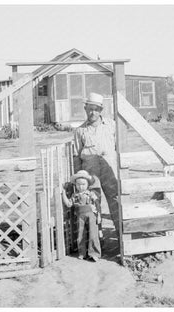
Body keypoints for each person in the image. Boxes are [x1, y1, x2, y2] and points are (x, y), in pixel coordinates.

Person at [73, 92, 120, 234]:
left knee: (116, 202)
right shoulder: (80, 131)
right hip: (90, 175)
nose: (92, 112)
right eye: (90, 108)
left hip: (109, 172)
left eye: (96, 109)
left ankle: (121, 237)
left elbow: (120, 149)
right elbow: (76, 156)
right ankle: (97, 242)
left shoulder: (112, 126)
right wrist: (78, 178)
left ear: (101, 110)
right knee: (93, 205)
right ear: (85, 109)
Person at [62, 170, 101, 261]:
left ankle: (94, 253)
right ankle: (82, 253)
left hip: (91, 214)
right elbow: (68, 204)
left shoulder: (91, 194)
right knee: (80, 234)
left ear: (87, 184)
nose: (81, 187)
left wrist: (99, 216)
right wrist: (63, 193)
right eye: (78, 184)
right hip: (80, 216)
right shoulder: (74, 195)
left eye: (83, 184)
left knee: (93, 234)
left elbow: (97, 205)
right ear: (75, 185)